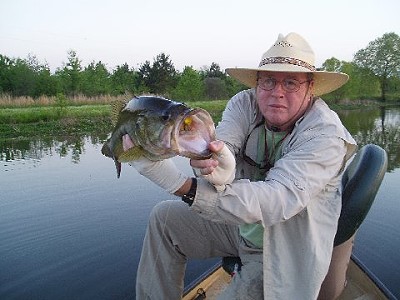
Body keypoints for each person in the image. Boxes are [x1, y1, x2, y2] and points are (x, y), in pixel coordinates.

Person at [129, 32, 357, 299]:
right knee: (164, 218)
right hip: (240, 229)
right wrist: (210, 159)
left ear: (311, 88)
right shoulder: (245, 102)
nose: (277, 93)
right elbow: (222, 143)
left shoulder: (325, 136)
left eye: (291, 82)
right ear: (257, 83)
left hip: (281, 248)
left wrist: (180, 185)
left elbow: (277, 199)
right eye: (268, 80)